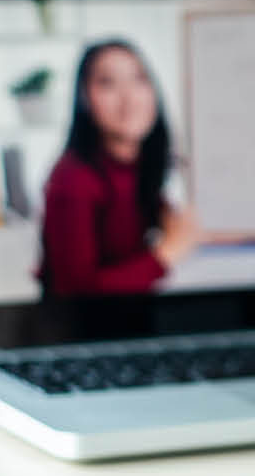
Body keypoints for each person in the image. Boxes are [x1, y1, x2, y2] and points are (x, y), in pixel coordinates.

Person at [40, 39, 201, 297]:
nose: (129, 98)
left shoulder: (137, 163)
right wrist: (167, 254)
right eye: (107, 83)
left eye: (139, 79)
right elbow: (77, 296)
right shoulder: (73, 179)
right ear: (85, 99)